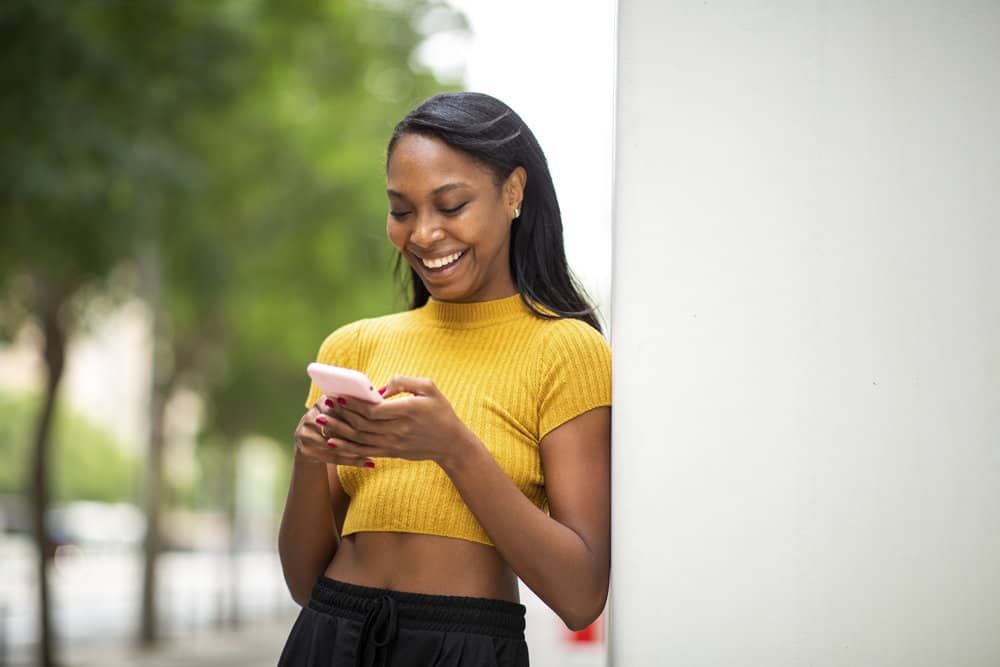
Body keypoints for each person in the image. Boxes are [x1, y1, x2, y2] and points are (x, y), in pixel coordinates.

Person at [277, 92, 611, 667]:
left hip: (465, 648)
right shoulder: (354, 346)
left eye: (451, 205)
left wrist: (453, 448)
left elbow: (581, 596)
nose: (424, 234)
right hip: (331, 633)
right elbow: (304, 582)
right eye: (402, 211)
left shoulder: (567, 351)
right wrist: (311, 455)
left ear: (513, 193)